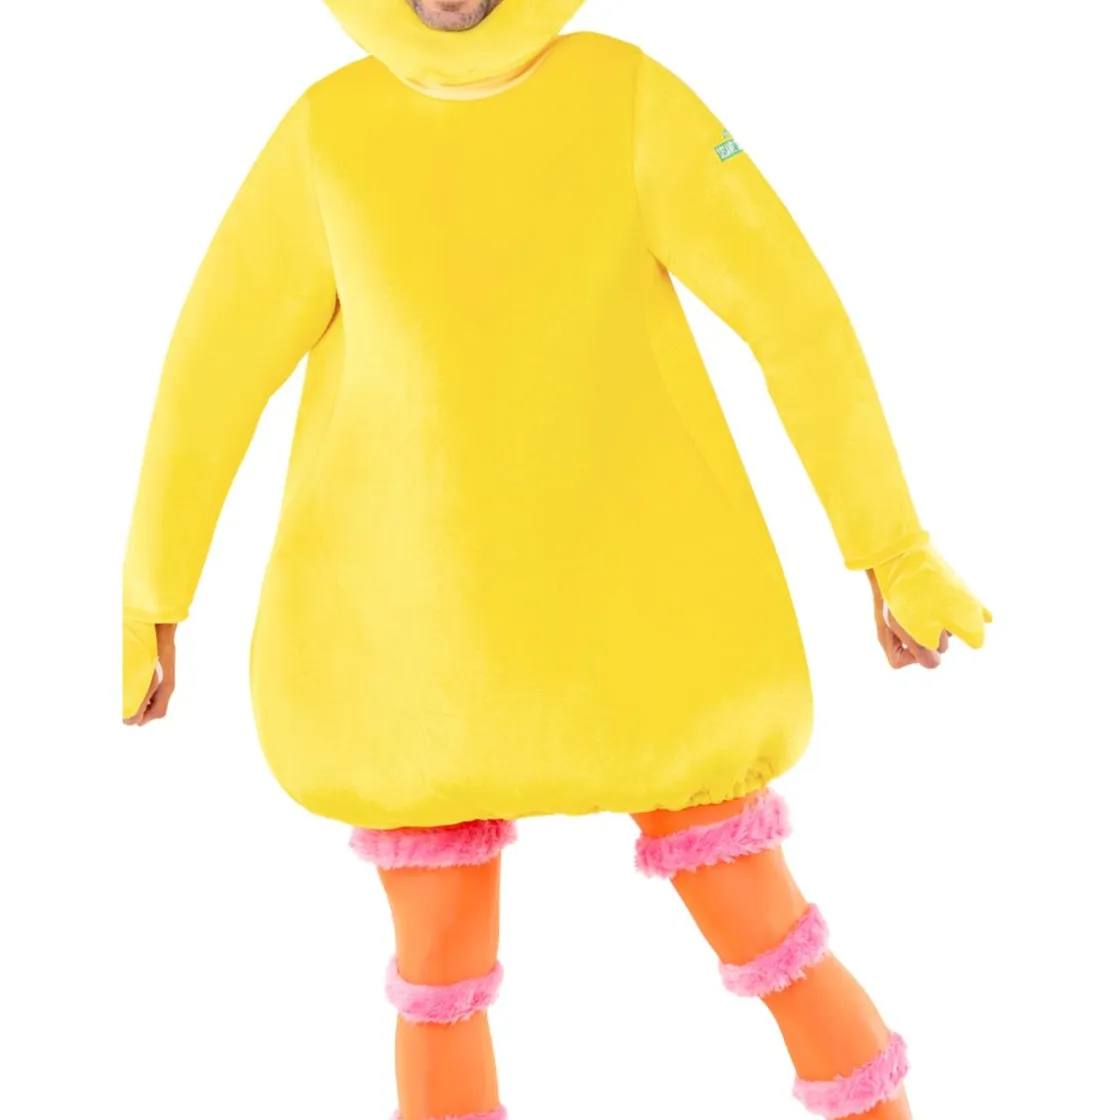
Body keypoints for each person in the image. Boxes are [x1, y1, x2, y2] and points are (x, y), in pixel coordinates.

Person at [121, 2, 991, 1118]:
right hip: (415, 648)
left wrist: (892, 547)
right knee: (439, 970)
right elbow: (211, 369)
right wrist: (150, 594)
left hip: (636, 636)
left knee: (756, 919)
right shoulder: (325, 138)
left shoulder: (627, 101)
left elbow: (793, 315)